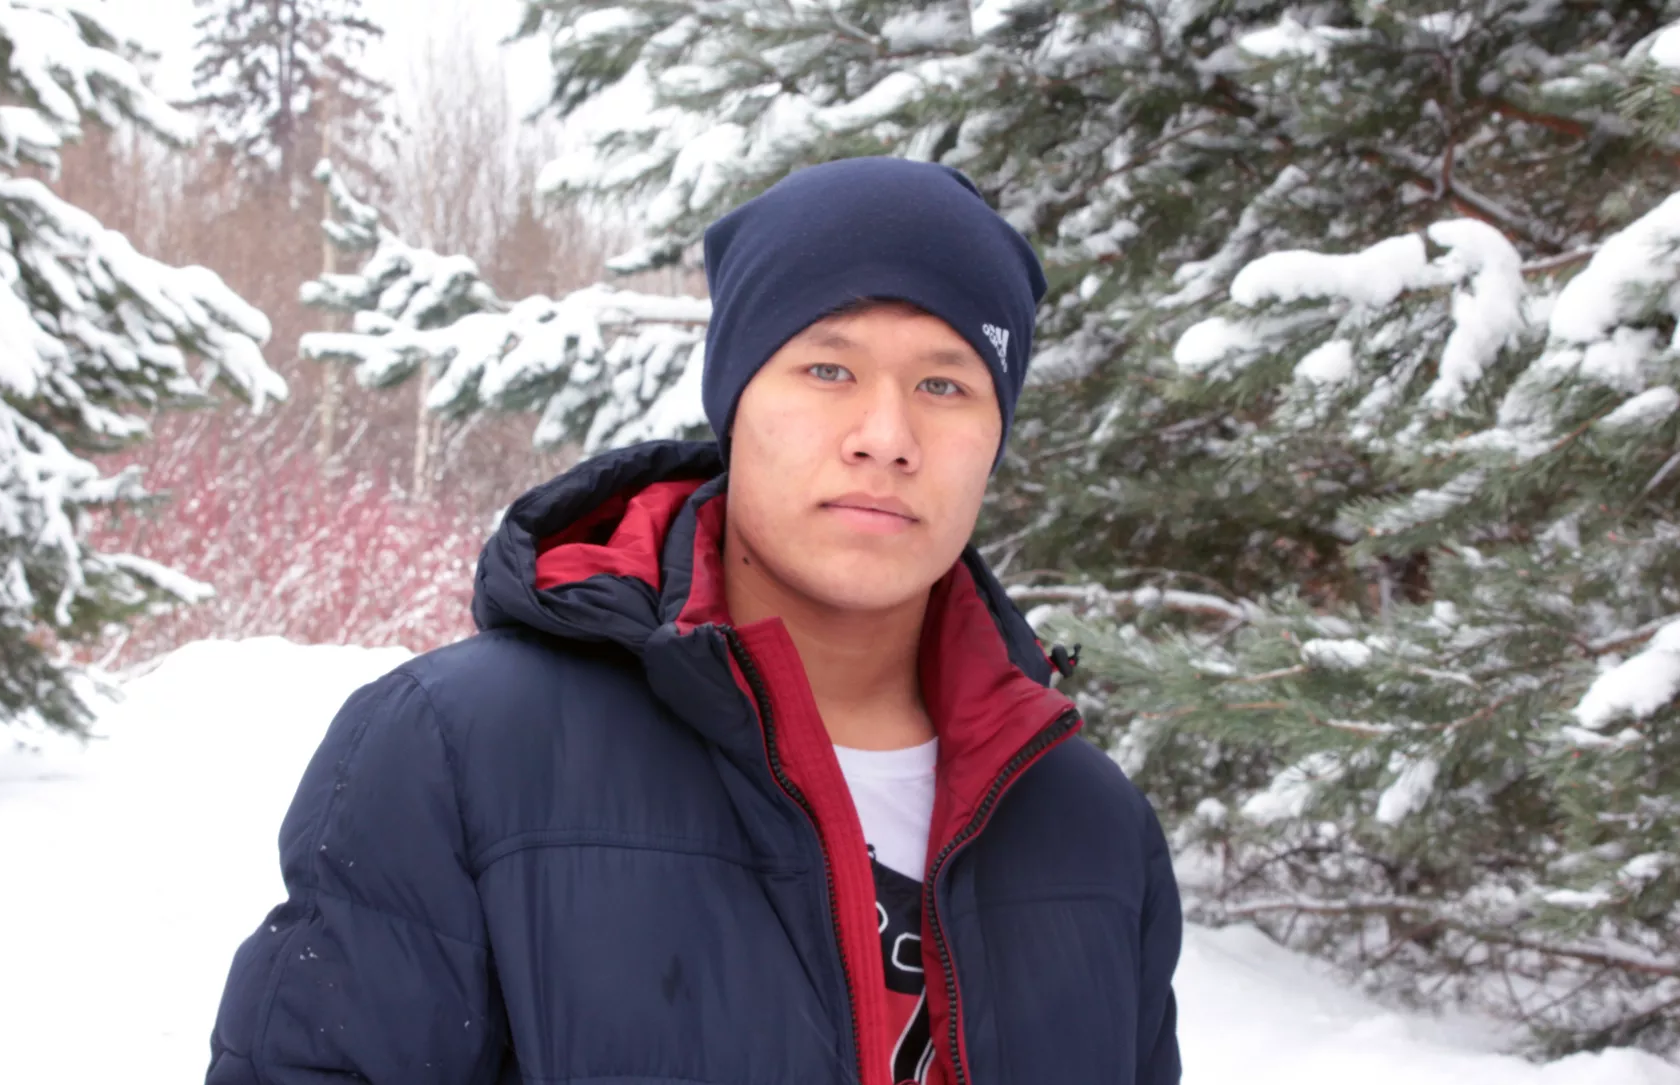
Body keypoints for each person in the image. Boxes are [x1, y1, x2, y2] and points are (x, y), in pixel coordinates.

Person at [205, 156, 1183, 1085]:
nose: (887, 437)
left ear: (994, 436)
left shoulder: (1091, 828)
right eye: (828, 369)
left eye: (945, 384)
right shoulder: (461, 754)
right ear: (734, 400)